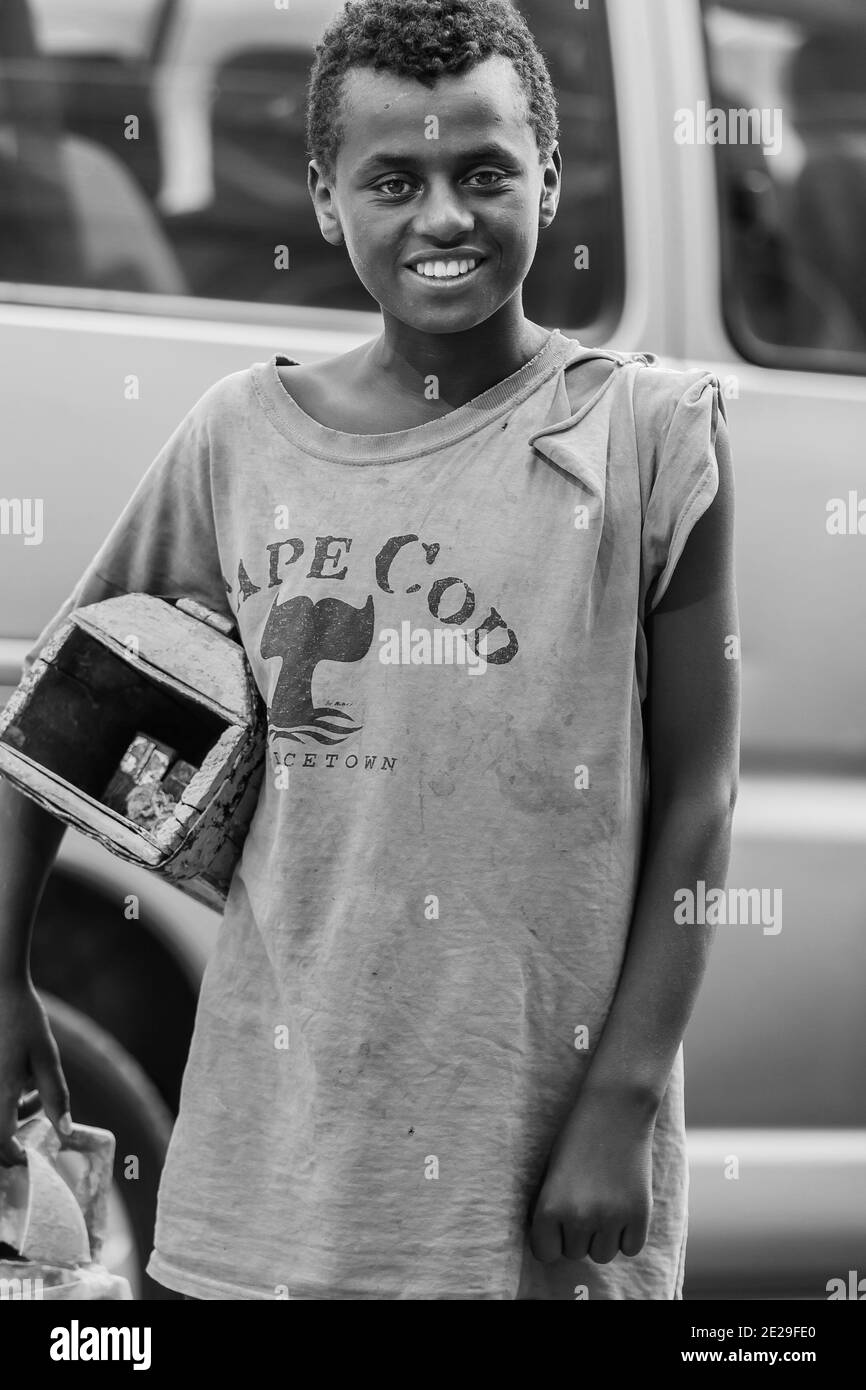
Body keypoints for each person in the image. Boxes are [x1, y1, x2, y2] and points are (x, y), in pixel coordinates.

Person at [0, 0, 739, 1300]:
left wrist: (621, 1095)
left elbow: (699, 794)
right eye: (394, 179)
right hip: (270, 1178)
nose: (442, 216)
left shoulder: (649, 440)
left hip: (543, 1173)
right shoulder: (239, 442)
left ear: (550, 180)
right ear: (327, 201)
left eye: (484, 173)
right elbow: (49, 738)